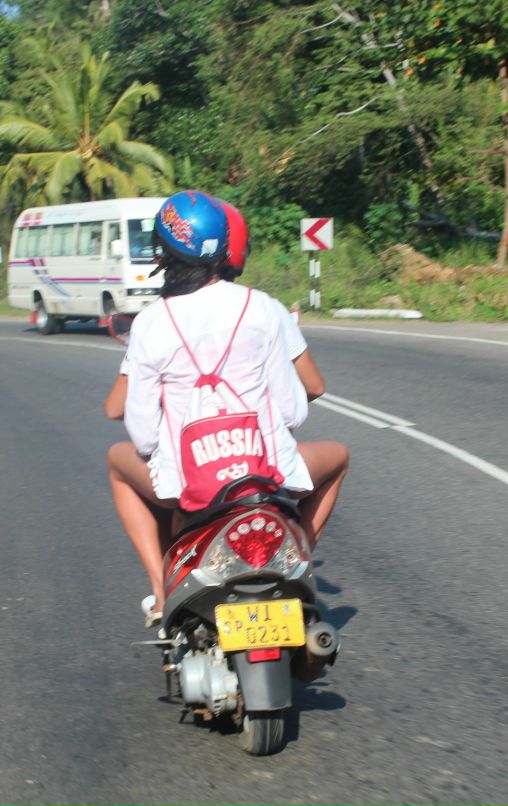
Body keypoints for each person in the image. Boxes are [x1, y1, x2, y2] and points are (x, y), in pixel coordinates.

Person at [104, 191, 348, 624]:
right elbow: (294, 412)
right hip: (270, 476)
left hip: (190, 487)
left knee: (117, 462)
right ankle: (297, 561)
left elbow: (141, 433)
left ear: (163, 251)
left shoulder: (151, 323)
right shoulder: (264, 308)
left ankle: (163, 595)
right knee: (339, 457)